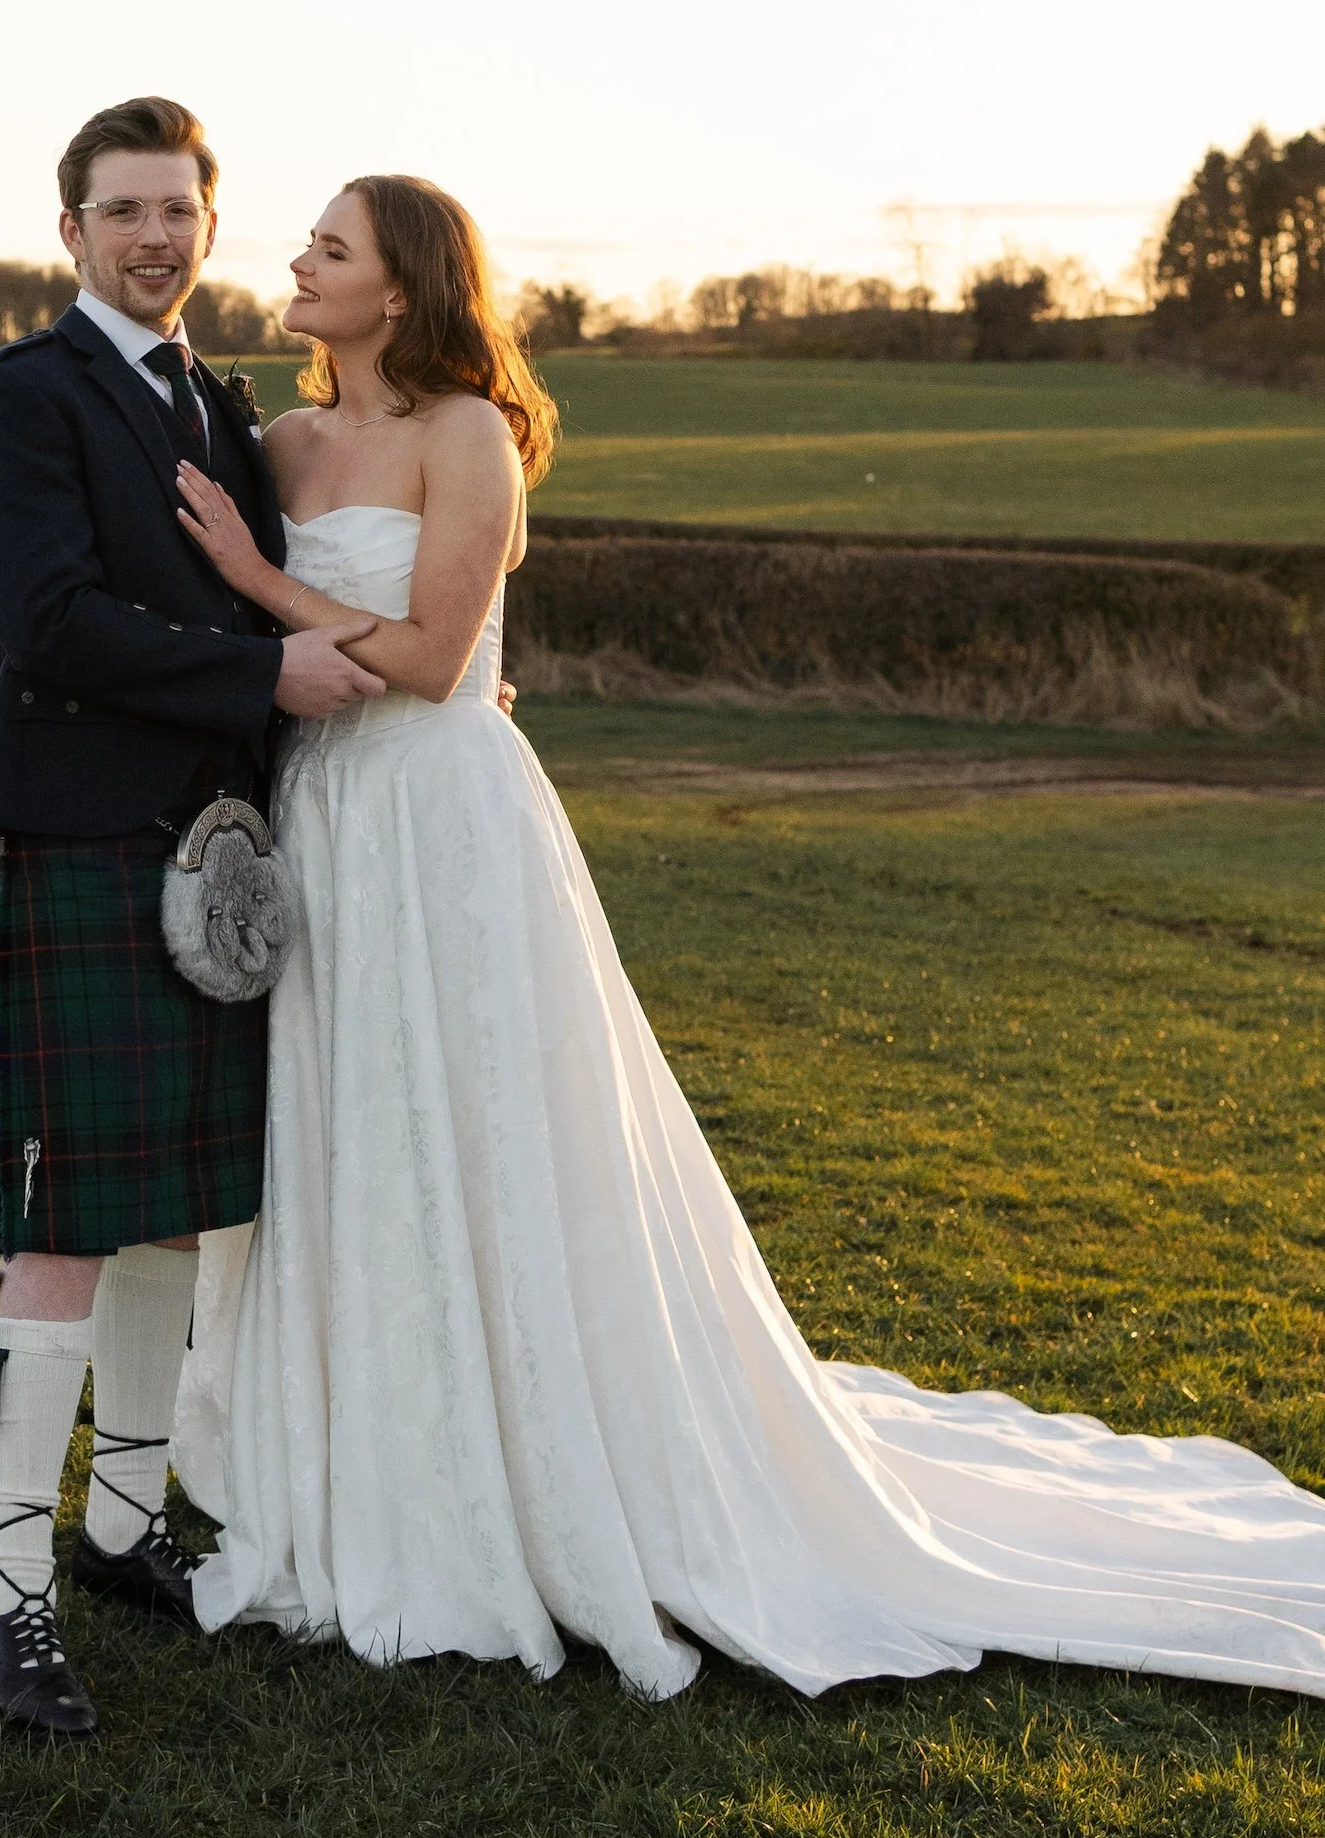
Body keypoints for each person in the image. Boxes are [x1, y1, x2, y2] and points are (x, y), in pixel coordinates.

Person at [170, 174, 1325, 1702]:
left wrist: (262, 583)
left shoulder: (469, 437)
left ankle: (544, 1455)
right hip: (326, 817)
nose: (299, 263)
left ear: (404, 287)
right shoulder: (279, 446)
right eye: (307, 243)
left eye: (333, 248)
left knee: (496, 1128)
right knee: (353, 1129)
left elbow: (446, 659)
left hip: (446, 822)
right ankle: (373, 1446)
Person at [0, 96, 385, 1741]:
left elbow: (300, 603)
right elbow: (45, 623)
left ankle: (123, 1529)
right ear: (71, 233)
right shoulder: (20, 396)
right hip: (83, 840)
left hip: (223, 860)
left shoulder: (223, 399)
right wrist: (264, 672)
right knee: (60, 1224)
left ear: (209, 226)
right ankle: (8, 1601)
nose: (154, 238)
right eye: (122, 211)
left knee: (180, 1212)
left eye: (178, 211)